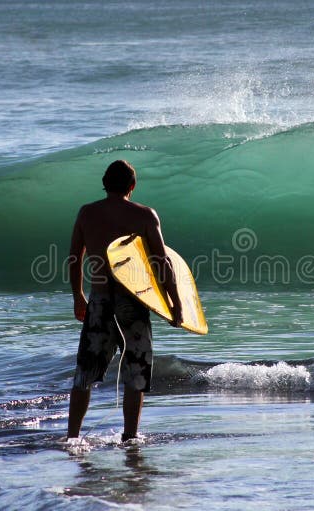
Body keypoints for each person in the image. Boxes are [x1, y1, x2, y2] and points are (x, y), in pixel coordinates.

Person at [67, 159, 183, 442]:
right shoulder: (145, 215)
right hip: (132, 303)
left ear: (105, 184)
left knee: (85, 373)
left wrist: (78, 297)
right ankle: (130, 437)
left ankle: (72, 437)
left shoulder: (87, 214)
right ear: (132, 186)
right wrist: (175, 303)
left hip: (100, 299)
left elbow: (74, 259)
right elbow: (162, 262)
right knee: (135, 371)